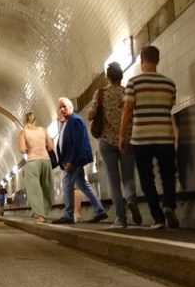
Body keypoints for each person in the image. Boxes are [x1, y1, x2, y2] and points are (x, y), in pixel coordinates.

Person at [119, 46, 178, 229]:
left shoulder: (134, 83)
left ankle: (158, 218)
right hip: (165, 136)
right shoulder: (169, 84)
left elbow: (128, 110)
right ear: (158, 60)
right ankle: (169, 205)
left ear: (141, 60)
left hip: (142, 138)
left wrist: (122, 135)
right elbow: (169, 108)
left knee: (147, 178)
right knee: (168, 174)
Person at [95, 62, 142, 228]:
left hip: (107, 141)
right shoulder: (126, 92)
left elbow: (91, 113)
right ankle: (130, 198)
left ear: (107, 77)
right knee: (128, 176)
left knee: (113, 181)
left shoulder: (101, 94)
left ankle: (121, 219)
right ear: (121, 76)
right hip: (127, 139)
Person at [52, 98, 108, 224]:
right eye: (60, 107)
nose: (62, 109)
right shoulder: (66, 122)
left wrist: (71, 161)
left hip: (74, 160)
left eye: (64, 106)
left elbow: (77, 143)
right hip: (70, 160)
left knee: (66, 185)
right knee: (83, 185)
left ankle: (68, 215)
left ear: (71, 107)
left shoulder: (75, 120)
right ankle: (100, 211)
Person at [18, 111, 55, 222]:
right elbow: (51, 147)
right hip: (46, 160)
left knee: (34, 189)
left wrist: (29, 148)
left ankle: (40, 215)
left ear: (25, 120)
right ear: (35, 120)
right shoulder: (43, 130)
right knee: (47, 187)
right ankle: (46, 211)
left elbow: (22, 149)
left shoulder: (23, 132)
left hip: (32, 162)